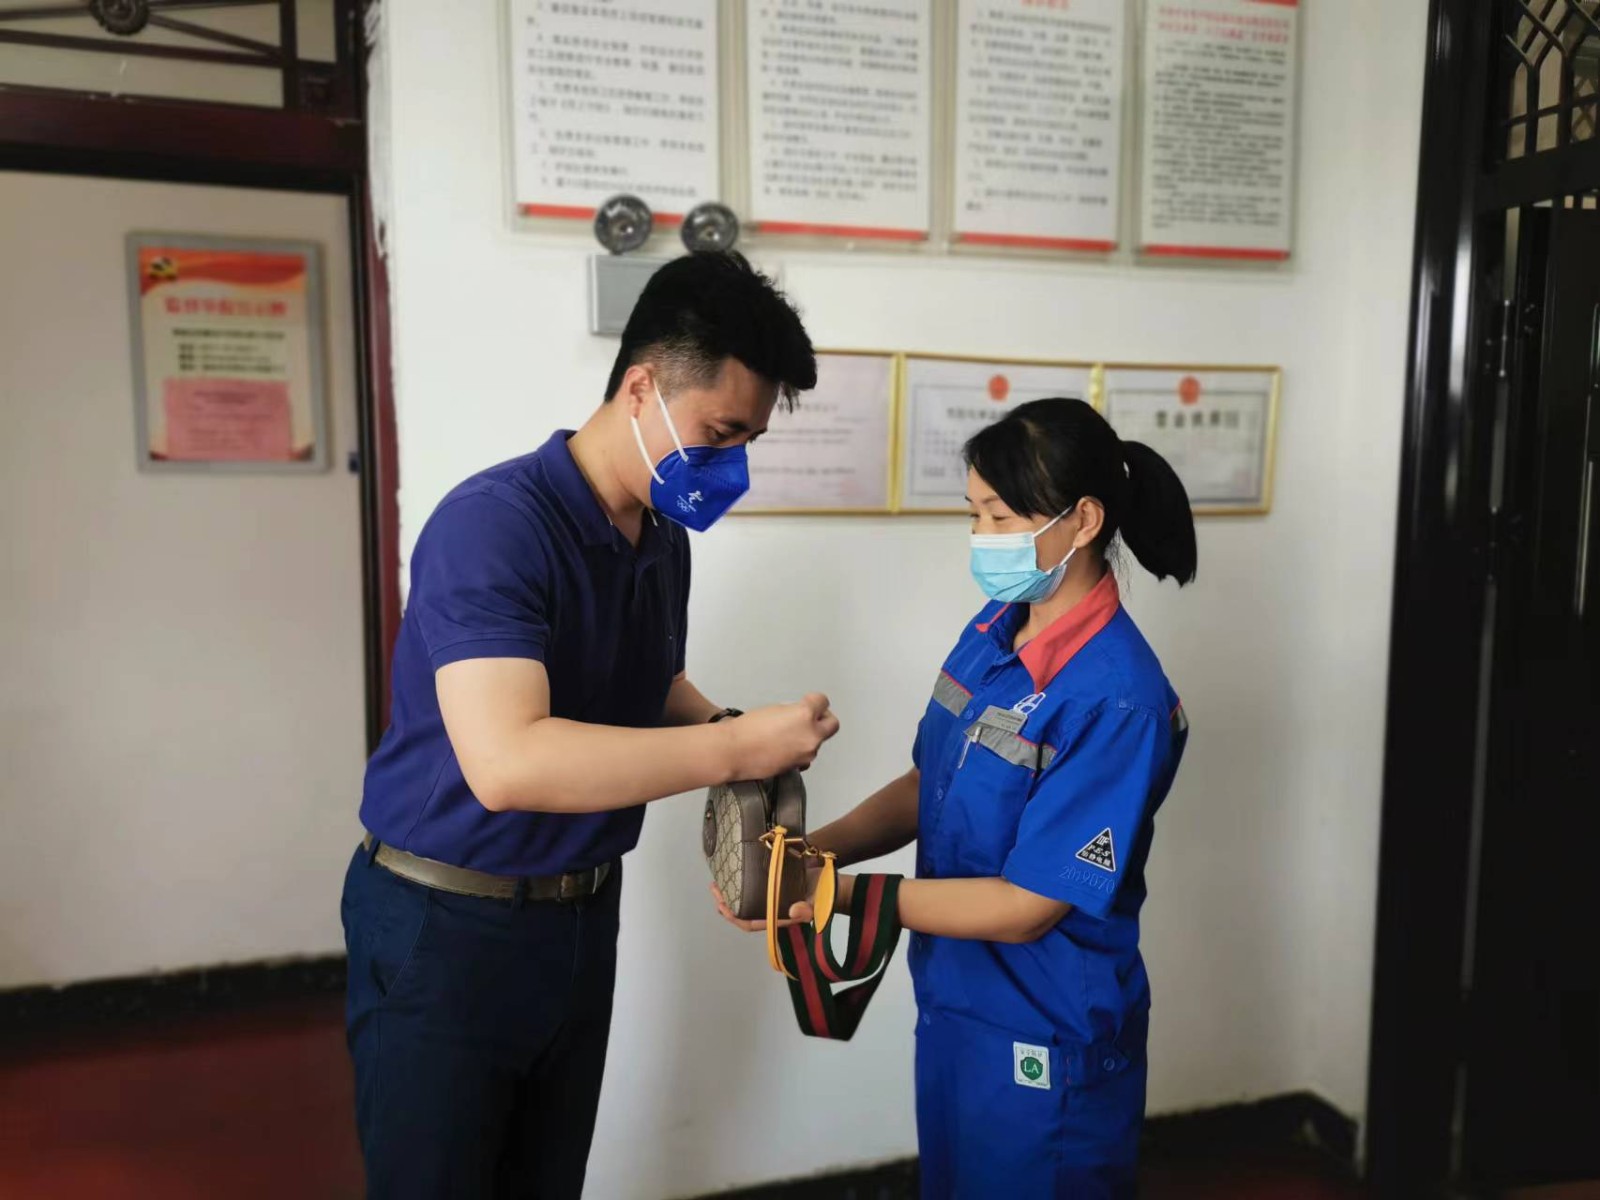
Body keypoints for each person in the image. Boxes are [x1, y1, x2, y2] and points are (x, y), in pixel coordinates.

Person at [344, 251, 839, 1198]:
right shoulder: (493, 526)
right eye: (720, 434)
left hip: (578, 920)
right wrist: (735, 747)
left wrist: (733, 725)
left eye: (748, 442)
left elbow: (647, 680)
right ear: (641, 387)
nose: (731, 465)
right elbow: (509, 761)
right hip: (446, 925)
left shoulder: (660, 537)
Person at [716, 398, 1196, 1198]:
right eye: (975, 514)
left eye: (1001, 517)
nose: (982, 536)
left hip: (1046, 1036)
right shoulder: (992, 630)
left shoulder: (1120, 701)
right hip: (956, 1008)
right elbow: (926, 786)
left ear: (1083, 521)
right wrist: (803, 856)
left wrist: (831, 892)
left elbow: (1028, 906)